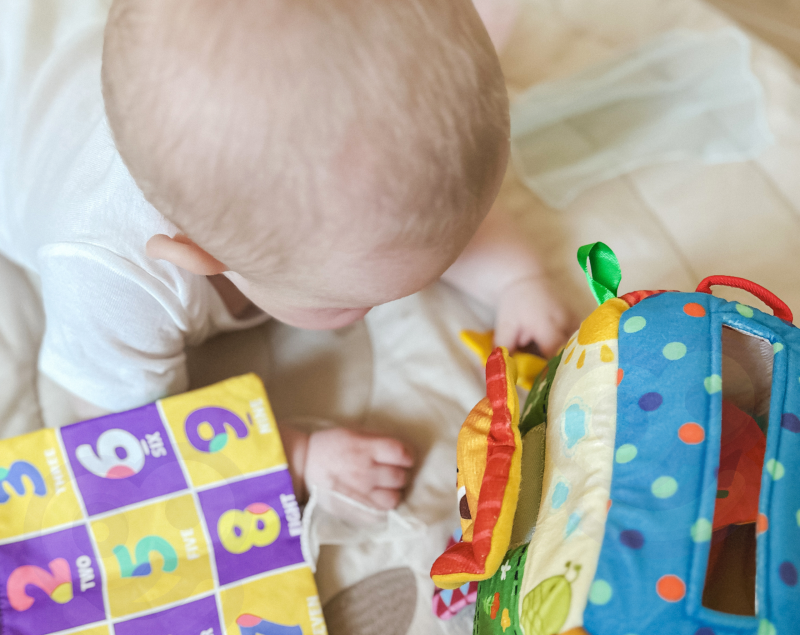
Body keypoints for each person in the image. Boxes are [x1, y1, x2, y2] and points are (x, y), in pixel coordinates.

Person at [0, 0, 570, 510]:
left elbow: (427, 211)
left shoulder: (381, 167)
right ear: (199, 253)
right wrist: (295, 456)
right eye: (353, 300)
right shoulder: (110, 277)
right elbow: (122, 433)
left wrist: (516, 281)